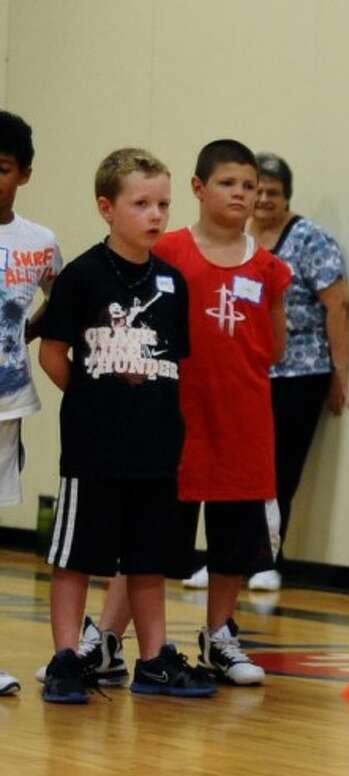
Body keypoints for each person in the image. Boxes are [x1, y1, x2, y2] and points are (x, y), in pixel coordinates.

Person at [38, 147, 214, 702]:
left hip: (156, 448)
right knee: (75, 559)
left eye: (163, 203)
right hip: (93, 449)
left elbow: (171, 362)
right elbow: (52, 354)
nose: (156, 215)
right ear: (106, 208)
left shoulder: (173, 282)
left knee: (147, 560)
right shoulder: (82, 276)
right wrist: (94, 400)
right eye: (141, 203)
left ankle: (155, 660)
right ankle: (67, 658)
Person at [154, 139, 291, 685]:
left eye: (249, 186)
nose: (241, 194)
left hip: (243, 416)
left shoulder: (269, 268)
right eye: (229, 184)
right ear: (197, 188)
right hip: (176, 416)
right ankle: (118, 638)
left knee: (234, 537)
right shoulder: (166, 252)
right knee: (153, 534)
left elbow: (275, 346)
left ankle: (220, 636)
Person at [236, 151, 349, 592]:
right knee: (236, 468)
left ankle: (266, 559)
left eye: (273, 193)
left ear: (287, 197)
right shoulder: (236, 237)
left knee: (278, 468)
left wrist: (340, 373)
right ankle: (228, 558)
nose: (262, 199)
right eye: (255, 190)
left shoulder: (310, 240)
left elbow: (337, 304)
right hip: (244, 373)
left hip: (299, 374)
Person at [0, 109, 60, 692]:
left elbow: (62, 299)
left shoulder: (39, 243)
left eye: (0, 168)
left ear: (25, 174)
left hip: (6, 403)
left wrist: (29, 336)